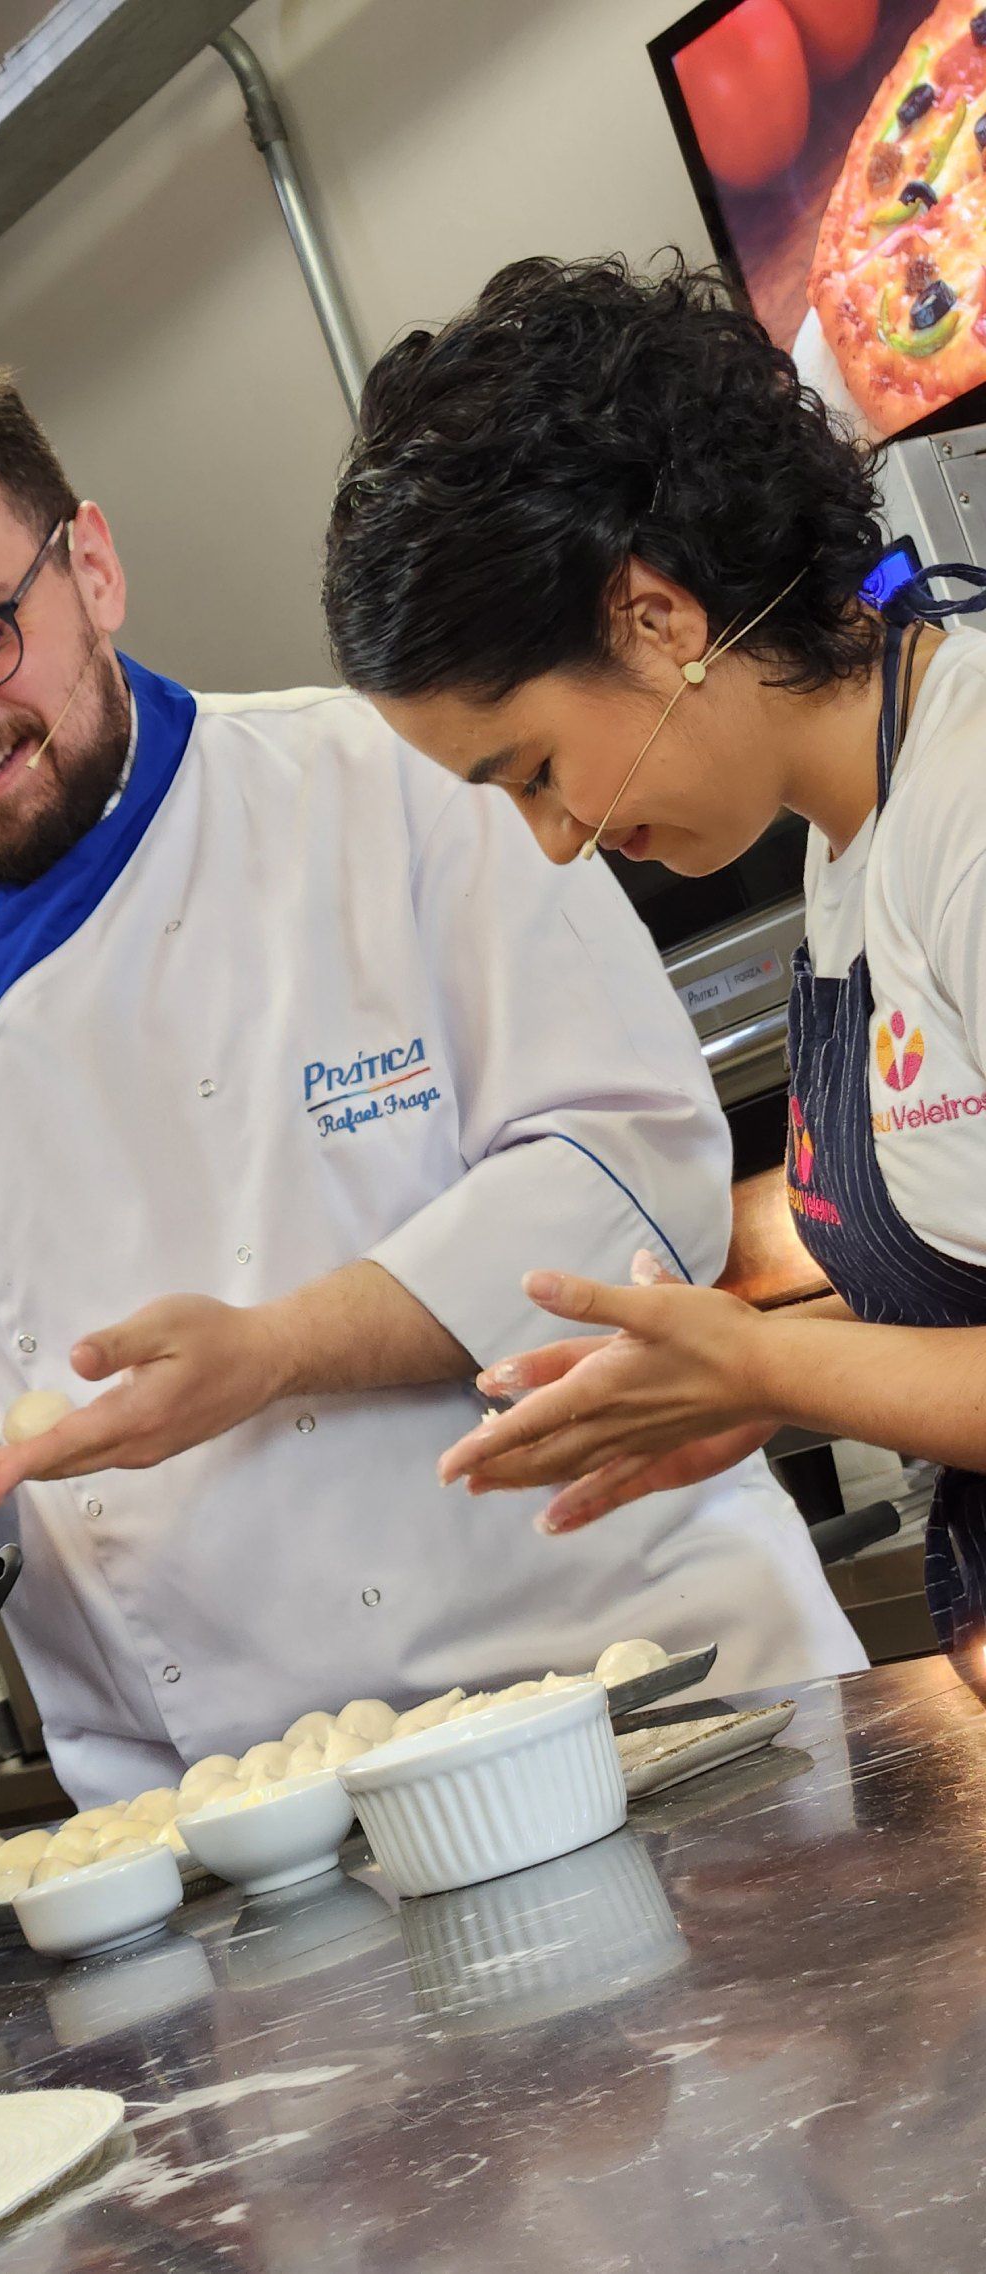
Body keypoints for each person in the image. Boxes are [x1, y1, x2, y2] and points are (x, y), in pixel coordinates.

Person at [0, 351, 862, 1804]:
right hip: (239, 1827)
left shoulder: (394, 784)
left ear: (92, 568)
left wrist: (275, 1349)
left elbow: (634, 1178)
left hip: (653, 1700)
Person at [321, 251, 986, 1657]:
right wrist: (764, 1386)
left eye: (539, 769)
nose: (556, 839)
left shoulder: (973, 805)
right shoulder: (845, 840)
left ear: (658, 618)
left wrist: (769, 1354)